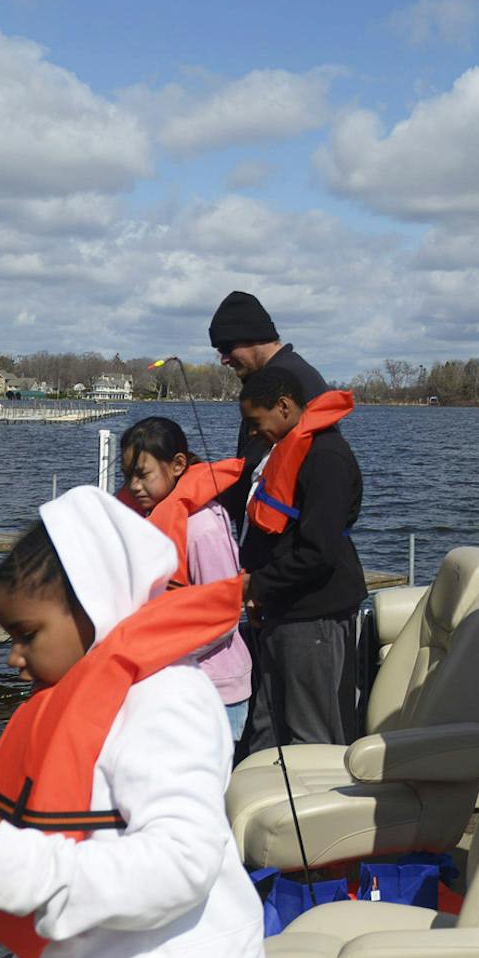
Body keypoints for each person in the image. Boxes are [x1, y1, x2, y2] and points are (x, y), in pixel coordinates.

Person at [0, 486, 266, 958]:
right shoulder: (63, 703)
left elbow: (182, 861)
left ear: (94, 606)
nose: (14, 658)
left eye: (27, 635)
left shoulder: (167, 699)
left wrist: (24, 869)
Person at [234, 364, 366, 754]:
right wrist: (264, 596)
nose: (253, 433)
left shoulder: (327, 458)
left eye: (257, 423)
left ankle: (322, 813)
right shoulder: (287, 450)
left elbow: (317, 552)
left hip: (315, 620)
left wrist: (256, 585)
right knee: (265, 731)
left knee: (313, 738)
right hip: (281, 613)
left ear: (284, 406)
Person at [119, 415, 251, 744]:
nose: (134, 486)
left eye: (142, 474)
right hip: (173, 682)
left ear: (178, 465)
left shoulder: (203, 527)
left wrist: (158, 650)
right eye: (127, 476)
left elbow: (224, 615)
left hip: (217, 691)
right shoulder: (152, 518)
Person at [207, 289, 329, 456]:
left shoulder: (287, 380)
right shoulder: (288, 371)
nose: (224, 360)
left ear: (256, 337)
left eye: (227, 348)